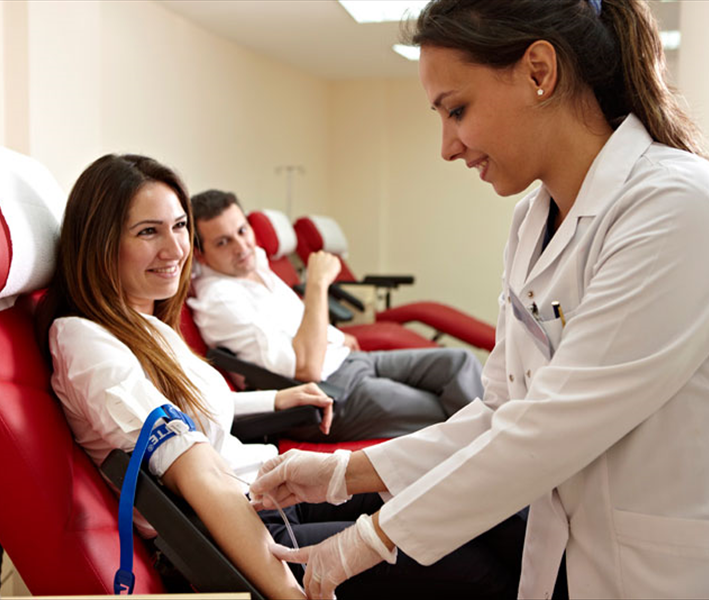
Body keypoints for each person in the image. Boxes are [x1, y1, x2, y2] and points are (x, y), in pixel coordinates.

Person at [250, 1, 709, 598]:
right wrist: (341, 472)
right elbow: (500, 412)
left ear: (539, 71)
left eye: (457, 110)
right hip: (567, 557)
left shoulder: (676, 205)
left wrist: (371, 537)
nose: (447, 146)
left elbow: (550, 428)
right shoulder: (532, 219)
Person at [36, 153, 526, 598]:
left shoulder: (144, 323)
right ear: (100, 243)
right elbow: (200, 474)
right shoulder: (85, 341)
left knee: (483, 501)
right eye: (148, 232)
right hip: (249, 528)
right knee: (469, 558)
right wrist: (290, 595)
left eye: (179, 226)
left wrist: (276, 400)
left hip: (270, 488)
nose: (174, 249)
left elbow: (187, 409)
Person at [188, 190, 485, 442]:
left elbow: (296, 320)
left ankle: (492, 452)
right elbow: (308, 370)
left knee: (460, 363)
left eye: (242, 231)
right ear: (200, 254)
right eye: (223, 242)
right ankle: (494, 466)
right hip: (327, 394)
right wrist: (317, 283)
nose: (242, 247)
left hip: (350, 361)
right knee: (445, 411)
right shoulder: (221, 300)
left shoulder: (257, 266)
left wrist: (337, 335)